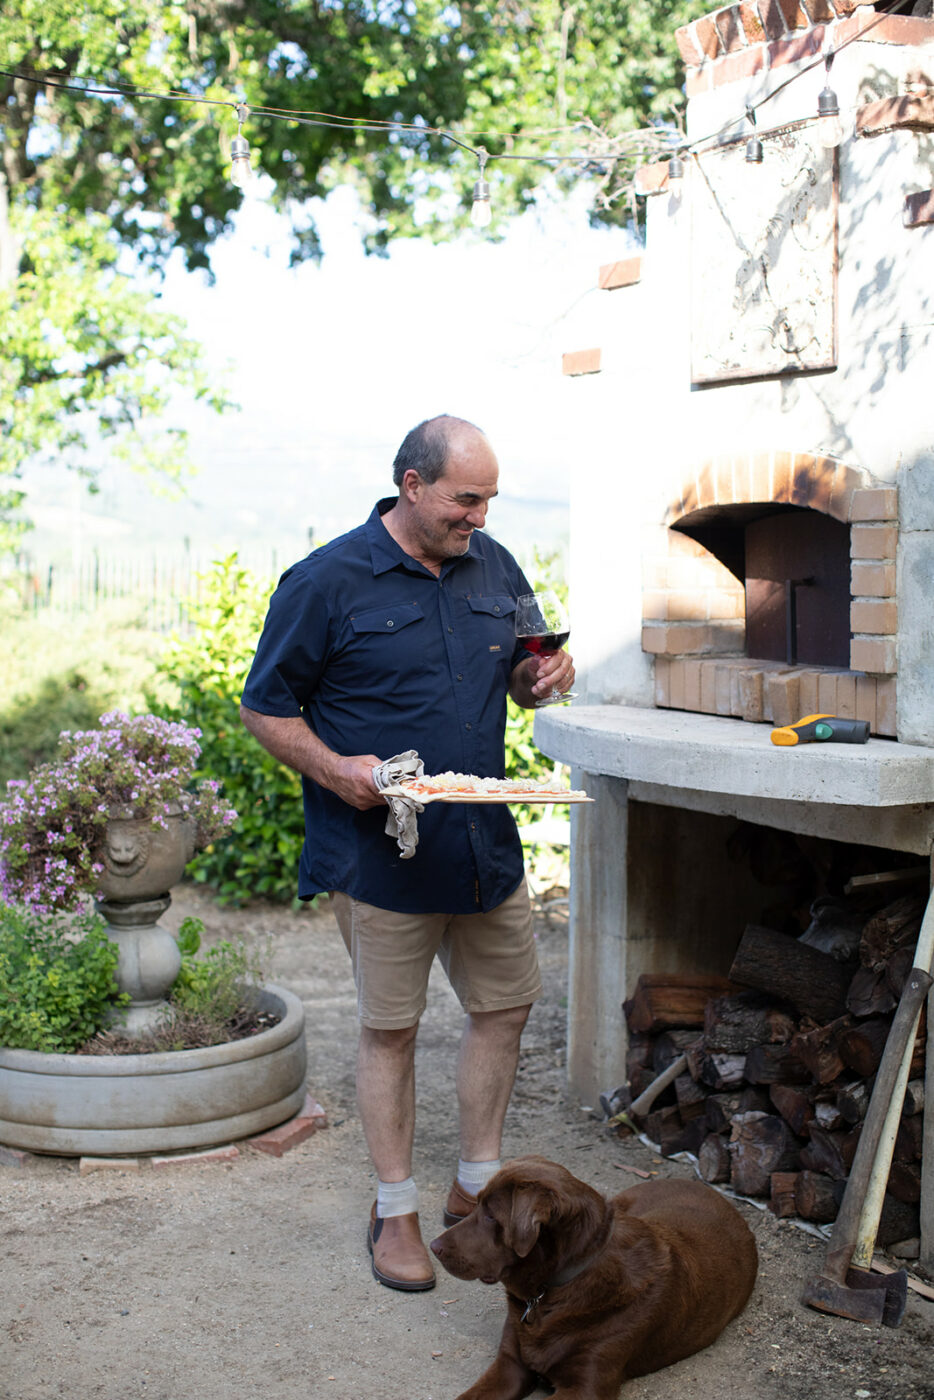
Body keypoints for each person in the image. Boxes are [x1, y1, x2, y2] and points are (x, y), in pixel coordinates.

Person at [239, 414, 575, 1292]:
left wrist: (539, 680)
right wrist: (334, 768)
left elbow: (523, 669)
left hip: (484, 844)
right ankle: (395, 1210)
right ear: (412, 484)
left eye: (491, 499)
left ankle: (475, 1188)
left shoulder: (495, 565)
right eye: (468, 498)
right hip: (379, 855)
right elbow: (265, 709)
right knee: (391, 1031)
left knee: (504, 1009)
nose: (482, 517)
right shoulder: (325, 582)